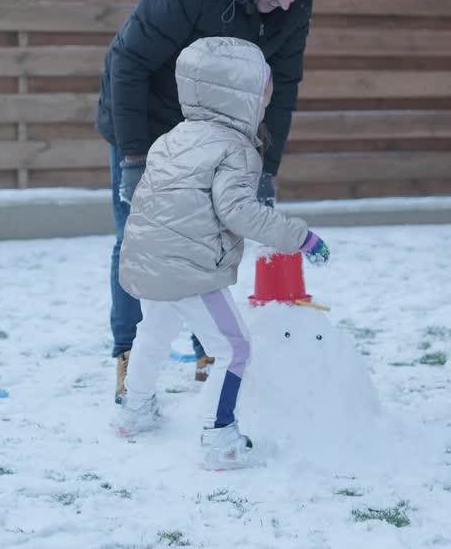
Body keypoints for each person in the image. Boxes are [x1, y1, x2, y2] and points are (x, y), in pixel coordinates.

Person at [96, 0, 344, 400]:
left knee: (208, 244)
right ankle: (127, 355)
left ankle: (209, 355)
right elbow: (127, 64)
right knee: (141, 243)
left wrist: (265, 171)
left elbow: (285, 85)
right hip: (148, 124)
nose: (290, 3)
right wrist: (134, 160)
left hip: (221, 137)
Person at [110, 36, 332, 469]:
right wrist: (301, 237)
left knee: (152, 335)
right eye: (264, 93)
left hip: (149, 264)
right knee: (235, 348)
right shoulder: (235, 150)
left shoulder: (171, 139)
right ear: (242, 97)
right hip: (189, 270)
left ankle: (133, 412)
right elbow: (241, 213)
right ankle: (220, 437)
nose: (267, 102)